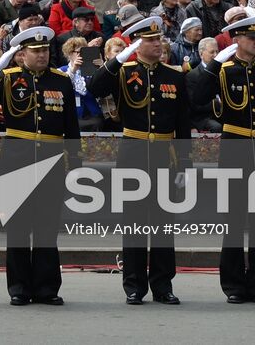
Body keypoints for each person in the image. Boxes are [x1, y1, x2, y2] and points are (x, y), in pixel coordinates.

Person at [0, 26, 80, 306]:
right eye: (36, 51)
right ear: (21, 55)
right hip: (17, 159)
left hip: (52, 159)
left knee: (46, 227)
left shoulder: (61, 81)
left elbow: (71, 128)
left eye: (45, 50)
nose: (42, 55)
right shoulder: (7, 78)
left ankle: (47, 287)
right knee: (18, 228)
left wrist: (76, 165)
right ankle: (18, 287)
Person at [87, 16, 189, 305]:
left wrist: (184, 164)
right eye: (151, 40)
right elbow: (94, 87)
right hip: (133, 153)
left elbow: (182, 124)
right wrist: (119, 57)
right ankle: (134, 285)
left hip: (164, 155)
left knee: (162, 225)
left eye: (159, 39)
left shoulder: (174, 75)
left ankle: (162, 284)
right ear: (137, 45)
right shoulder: (123, 71)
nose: (158, 44)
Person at [189, 13, 255, 304]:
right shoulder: (224, 70)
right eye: (251, 38)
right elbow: (198, 97)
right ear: (237, 41)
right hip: (235, 151)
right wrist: (216, 62)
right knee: (233, 221)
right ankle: (233, 285)